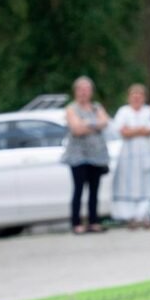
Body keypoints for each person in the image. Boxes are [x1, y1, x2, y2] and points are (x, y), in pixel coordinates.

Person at [62, 76, 111, 235]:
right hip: (78, 156)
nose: (83, 93)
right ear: (75, 91)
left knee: (94, 190)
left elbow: (105, 122)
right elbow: (76, 129)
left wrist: (86, 124)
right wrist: (94, 125)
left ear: (91, 92)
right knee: (78, 189)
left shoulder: (96, 107)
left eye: (86, 89)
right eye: (80, 89)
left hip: (96, 156)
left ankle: (93, 221)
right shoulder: (71, 108)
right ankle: (76, 223)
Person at [110, 84, 150, 228]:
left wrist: (132, 130)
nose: (137, 97)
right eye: (134, 94)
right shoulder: (123, 111)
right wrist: (139, 129)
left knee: (146, 183)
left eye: (140, 94)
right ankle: (130, 217)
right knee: (128, 184)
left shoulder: (148, 111)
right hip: (128, 154)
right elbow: (122, 131)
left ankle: (145, 215)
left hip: (145, 152)